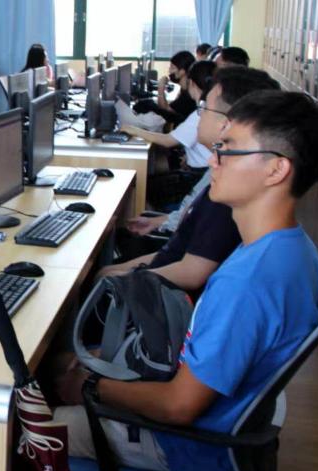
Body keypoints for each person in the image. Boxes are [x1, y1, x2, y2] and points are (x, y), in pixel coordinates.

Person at [52, 89, 318, 471]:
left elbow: (179, 406)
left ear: (276, 170)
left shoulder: (248, 282)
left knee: (22, 420)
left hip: (183, 444)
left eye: (228, 150)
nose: (213, 160)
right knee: (61, 362)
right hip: (212, 414)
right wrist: (98, 361)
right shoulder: (291, 248)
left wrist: (93, 386)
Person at [109, 67, 282, 292]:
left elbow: (191, 271)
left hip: (161, 291)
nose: (198, 115)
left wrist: (113, 276)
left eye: (203, 108)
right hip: (163, 265)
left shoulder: (227, 196)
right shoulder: (227, 180)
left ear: (227, 123)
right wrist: (162, 221)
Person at [122, 60, 217, 208]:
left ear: (191, 83)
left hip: (196, 176)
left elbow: (168, 141)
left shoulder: (201, 113)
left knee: (141, 186)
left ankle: (154, 219)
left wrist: (134, 130)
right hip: (199, 172)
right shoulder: (207, 110)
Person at [138, 50, 197, 125]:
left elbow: (165, 110)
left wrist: (161, 87)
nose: (169, 70)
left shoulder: (188, 96)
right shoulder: (184, 89)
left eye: (172, 68)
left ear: (182, 71)